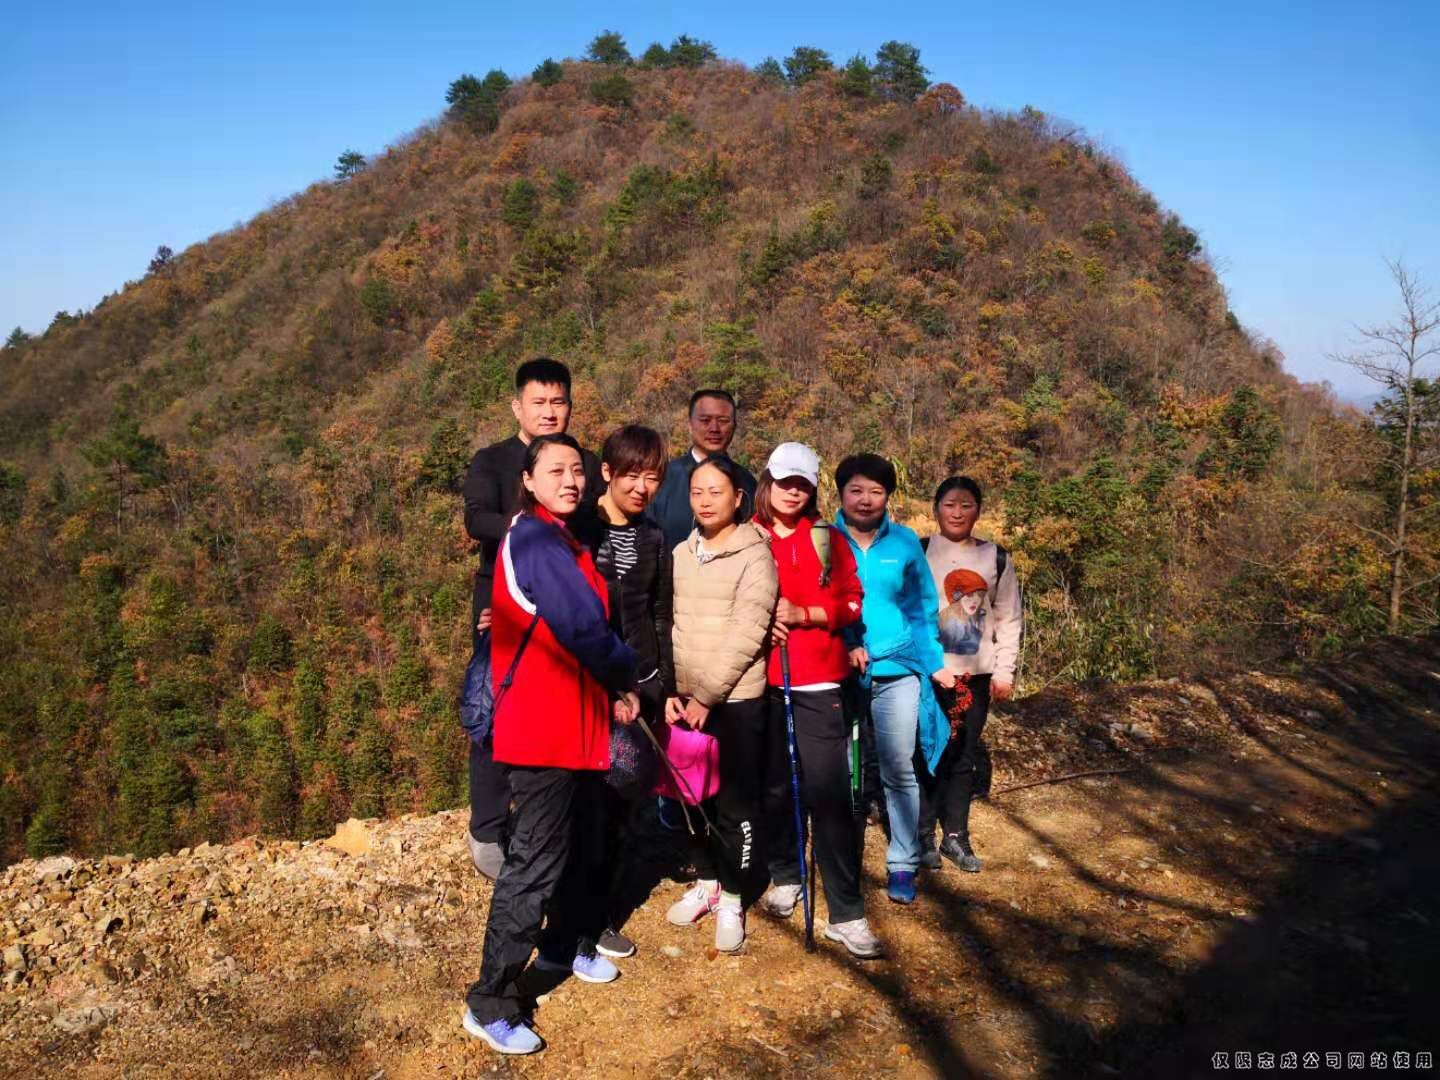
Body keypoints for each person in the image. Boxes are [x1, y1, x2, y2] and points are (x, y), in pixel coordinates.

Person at [462, 434, 640, 1055]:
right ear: (529, 481)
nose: (569, 479)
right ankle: (490, 1001)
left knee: (578, 846)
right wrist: (629, 672)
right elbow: (582, 627)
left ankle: (565, 946)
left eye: (577, 470)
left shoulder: (564, 539)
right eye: (555, 470)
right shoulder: (536, 538)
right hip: (543, 730)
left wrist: (610, 692)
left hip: (578, 725)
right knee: (534, 865)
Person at [461, 358, 602, 879]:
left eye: (558, 402)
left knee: (567, 707)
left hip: (570, 603)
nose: (549, 411)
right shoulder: (493, 461)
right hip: (504, 604)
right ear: (517, 406)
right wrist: (532, 525)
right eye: (538, 402)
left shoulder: (581, 461)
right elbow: (477, 520)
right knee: (496, 710)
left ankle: (556, 817)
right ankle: (488, 826)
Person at [752, 443, 882, 959]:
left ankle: (846, 912)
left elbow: (852, 602)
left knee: (830, 798)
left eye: (802, 484)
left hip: (819, 682)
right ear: (768, 480)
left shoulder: (827, 538)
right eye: (785, 481)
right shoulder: (747, 536)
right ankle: (787, 875)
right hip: (758, 682)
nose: (792, 491)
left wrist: (804, 614)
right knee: (775, 790)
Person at [664, 456, 778, 953]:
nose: (706, 501)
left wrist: (708, 695)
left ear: (738, 498)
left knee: (734, 804)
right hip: (686, 699)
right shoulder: (681, 553)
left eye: (716, 491)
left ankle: (732, 897)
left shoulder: (756, 555)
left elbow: (748, 631)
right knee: (692, 799)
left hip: (735, 701)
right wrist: (671, 691)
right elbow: (668, 624)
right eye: (697, 492)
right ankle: (707, 880)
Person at [833, 454, 955, 905]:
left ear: (888, 497)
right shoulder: (824, 539)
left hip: (898, 669)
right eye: (856, 490)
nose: (866, 500)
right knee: (843, 770)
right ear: (840, 493)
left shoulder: (903, 542)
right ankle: (840, 854)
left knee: (898, 766)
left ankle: (903, 859)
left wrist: (933, 661)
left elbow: (922, 608)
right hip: (839, 670)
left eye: (876, 491)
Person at [573, 425, 673, 958]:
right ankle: (572, 915)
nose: (641, 487)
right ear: (607, 472)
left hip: (640, 687)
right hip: (586, 687)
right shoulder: (580, 529)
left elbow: (659, 613)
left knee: (621, 805)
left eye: (652, 477)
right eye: (631, 475)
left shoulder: (655, 537)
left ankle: (600, 915)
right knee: (582, 806)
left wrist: (663, 682)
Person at [919, 476, 1022, 872]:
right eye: (950, 504)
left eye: (966, 505)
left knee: (963, 757)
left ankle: (955, 836)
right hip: (929, 673)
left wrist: (1004, 671)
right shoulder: (920, 551)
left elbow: (1009, 618)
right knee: (925, 752)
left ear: (979, 510)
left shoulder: (995, 557)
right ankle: (923, 834)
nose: (957, 512)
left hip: (974, 676)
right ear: (936, 509)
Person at [650, 389, 758, 551]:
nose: (714, 428)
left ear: (734, 426)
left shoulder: (746, 482)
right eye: (705, 420)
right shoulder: (663, 477)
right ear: (690, 425)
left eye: (723, 420)